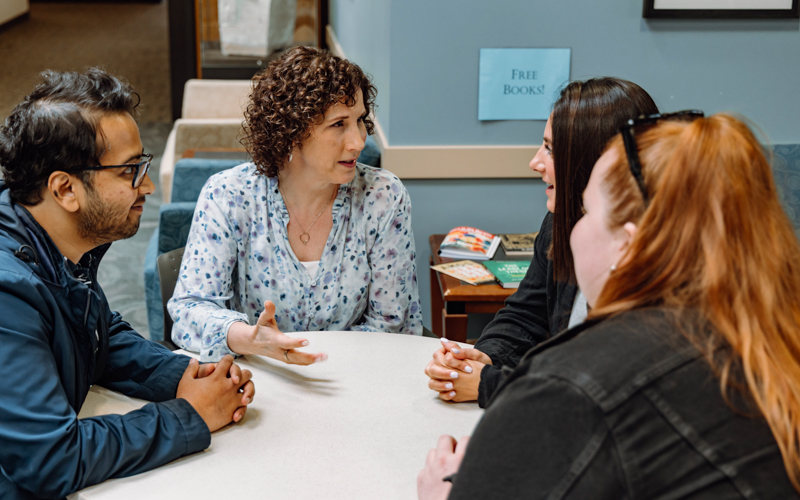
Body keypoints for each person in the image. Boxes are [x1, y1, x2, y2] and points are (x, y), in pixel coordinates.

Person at [418, 112, 800, 498]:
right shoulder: (772, 337)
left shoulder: (569, 384)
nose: (574, 229)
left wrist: (447, 491)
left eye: (585, 212)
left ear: (630, 245)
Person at [0, 68, 255, 500]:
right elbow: (50, 459)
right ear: (64, 189)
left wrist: (187, 375)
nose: (148, 186)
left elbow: (97, 334)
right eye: (129, 172)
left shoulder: (55, 241)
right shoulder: (9, 293)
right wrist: (189, 413)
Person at [169, 46, 422, 363]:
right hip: (258, 379)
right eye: (338, 124)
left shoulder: (383, 196)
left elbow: (393, 326)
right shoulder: (229, 195)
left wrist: (318, 364)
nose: (359, 141)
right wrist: (248, 338)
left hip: (357, 379)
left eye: (359, 121)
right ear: (291, 131)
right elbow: (190, 310)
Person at [424, 78, 658, 405]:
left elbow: (590, 388)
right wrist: (482, 358)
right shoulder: (560, 219)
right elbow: (526, 314)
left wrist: (489, 384)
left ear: (593, 162)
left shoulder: (648, 263)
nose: (535, 163)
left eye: (550, 149)